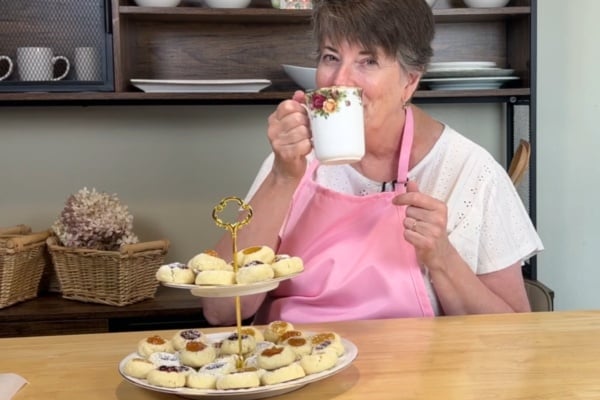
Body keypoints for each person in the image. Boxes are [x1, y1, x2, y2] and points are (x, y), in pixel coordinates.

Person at [202, 0, 543, 325]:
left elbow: (513, 332)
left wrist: (441, 257)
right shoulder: (292, 159)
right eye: (331, 57)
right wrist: (281, 177)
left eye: (368, 61)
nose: (340, 82)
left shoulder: (470, 171)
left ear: (409, 81)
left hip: (420, 378)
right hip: (297, 366)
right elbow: (220, 310)